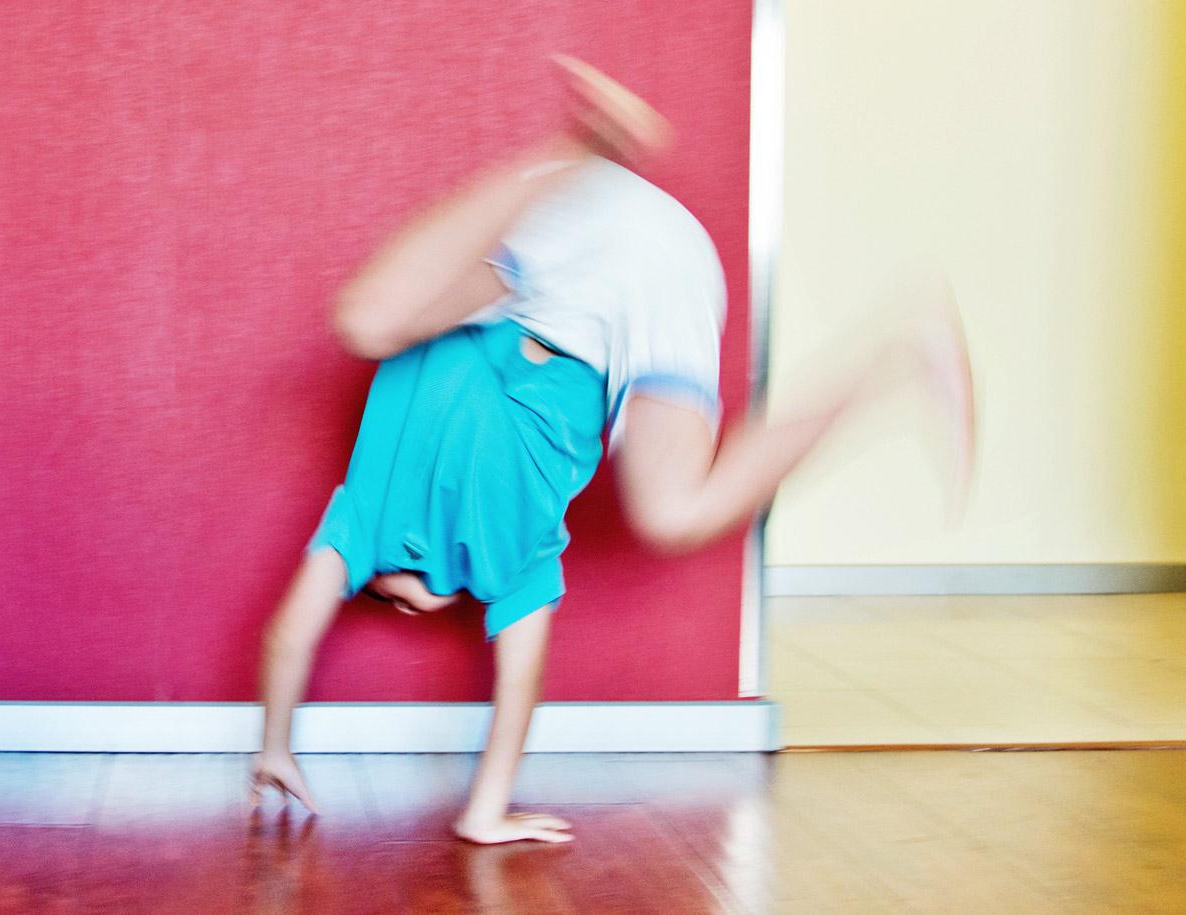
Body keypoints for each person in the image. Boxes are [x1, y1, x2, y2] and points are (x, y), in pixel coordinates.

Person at [250, 56, 975, 845]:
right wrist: (465, 804)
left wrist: (279, 747)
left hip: (567, 247)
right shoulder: (497, 557)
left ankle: (577, 148)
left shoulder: (370, 529)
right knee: (667, 510)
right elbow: (310, 635)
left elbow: (307, 635)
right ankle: (896, 353)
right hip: (635, 271)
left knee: (374, 322)